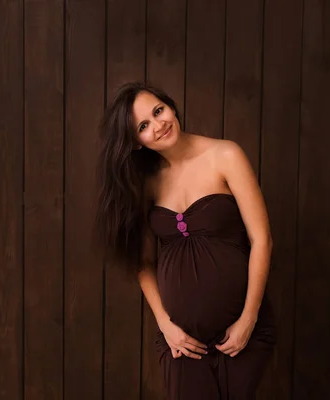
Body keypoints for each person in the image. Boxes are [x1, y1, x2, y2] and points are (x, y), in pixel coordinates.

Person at [95, 82, 276, 399]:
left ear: (171, 107)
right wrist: (166, 326)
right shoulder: (146, 183)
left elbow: (262, 239)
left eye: (158, 111)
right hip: (181, 341)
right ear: (135, 142)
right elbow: (142, 263)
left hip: (241, 333)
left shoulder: (225, 155)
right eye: (143, 126)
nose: (158, 125)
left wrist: (249, 318)